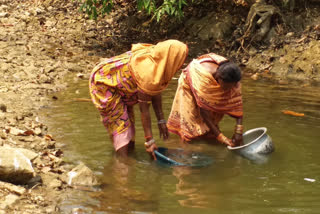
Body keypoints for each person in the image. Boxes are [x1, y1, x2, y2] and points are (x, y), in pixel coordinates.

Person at [89, 39, 188, 159]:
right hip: (104, 83)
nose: (182, 64)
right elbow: (144, 110)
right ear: (172, 58)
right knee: (121, 124)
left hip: (120, 86)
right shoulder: (147, 71)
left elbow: (155, 90)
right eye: (180, 60)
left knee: (129, 122)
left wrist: (161, 120)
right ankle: (122, 163)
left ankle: (129, 155)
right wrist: (149, 140)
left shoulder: (159, 62)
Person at [167, 53, 243, 147]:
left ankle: (209, 133)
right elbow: (204, 111)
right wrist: (221, 138)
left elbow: (237, 103)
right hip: (189, 86)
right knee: (190, 124)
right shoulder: (203, 79)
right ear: (219, 79)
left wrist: (238, 132)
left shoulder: (233, 78)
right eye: (226, 87)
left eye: (232, 87)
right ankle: (186, 146)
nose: (228, 91)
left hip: (208, 86)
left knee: (210, 129)